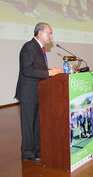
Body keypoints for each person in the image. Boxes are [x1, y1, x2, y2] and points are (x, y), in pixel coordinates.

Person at [15, 22, 60, 162]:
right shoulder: (29, 47)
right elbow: (27, 70)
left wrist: (52, 71)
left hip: (38, 92)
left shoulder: (39, 48)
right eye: (49, 33)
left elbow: (37, 70)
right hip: (28, 93)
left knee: (36, 124)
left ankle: (37, 150)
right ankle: (27, 154)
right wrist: (49, 72)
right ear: (40, 33)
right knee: (28, 124)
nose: (51, 37)